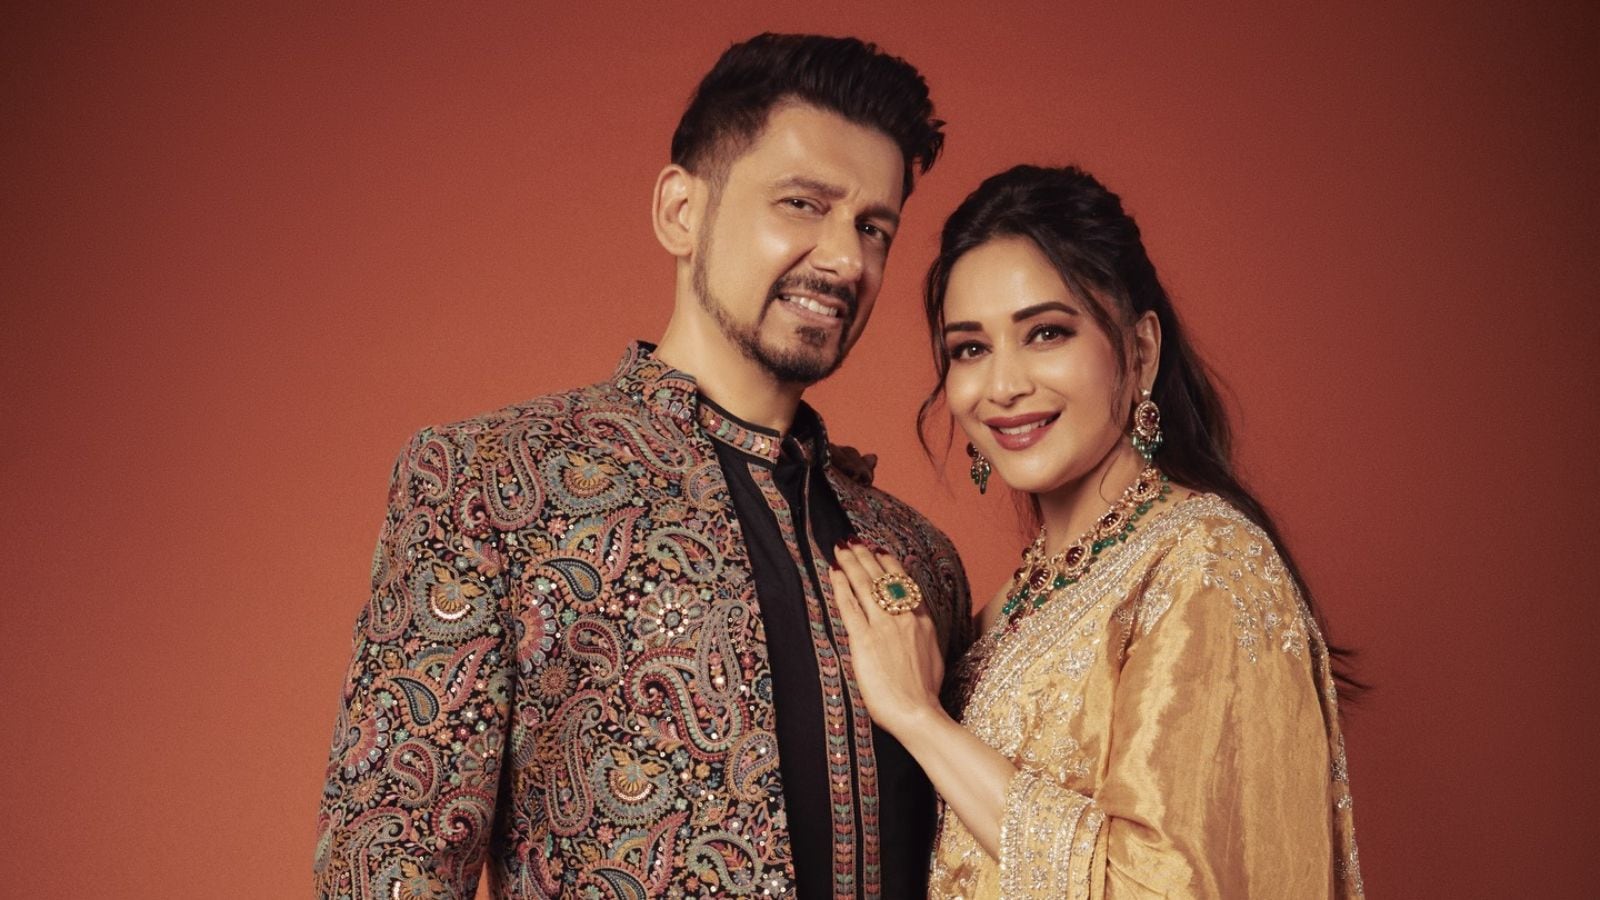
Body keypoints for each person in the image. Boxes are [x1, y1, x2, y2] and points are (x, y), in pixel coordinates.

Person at [313, 34, 971, 899]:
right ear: (680, 211)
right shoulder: (496, 483)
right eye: (803, 204)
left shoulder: (916, 561)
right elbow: (386, 865)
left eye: (873, 227)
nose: (847, 258)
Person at [828, 164, 1363, 898]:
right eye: (970, 348)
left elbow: (1156, 889)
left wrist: (922, 720)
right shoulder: (1015, 597)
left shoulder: (1207, 564)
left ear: (1140, 351)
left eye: (1046, 333)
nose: (1003, 385)